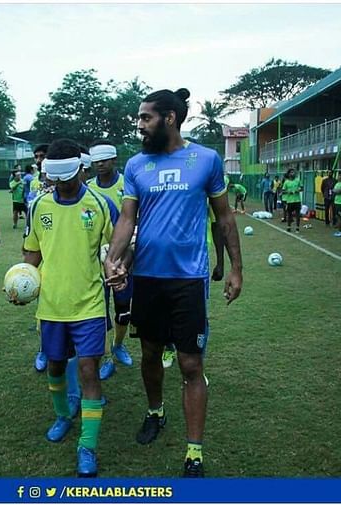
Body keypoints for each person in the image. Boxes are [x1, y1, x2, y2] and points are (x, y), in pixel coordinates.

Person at [104, 88, 243, 478]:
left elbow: (225, 218)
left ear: (169, 118)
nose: (140, 126)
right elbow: (127, 220)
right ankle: (155, 412)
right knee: (150, 354)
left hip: (188, 279)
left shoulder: (206, 159)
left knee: (190, 362)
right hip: (147, 277)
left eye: (145, 118)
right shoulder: (136, 166)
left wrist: (234, 268)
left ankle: (194, 452)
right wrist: (114, 259)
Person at [18, 139, 118, 477]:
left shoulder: (100, 204)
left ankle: (87, 447)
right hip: (51, 306)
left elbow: (118, 247)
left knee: (88, 370)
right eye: (54, 177)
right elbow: (32, 253)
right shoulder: (38, 206)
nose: (60, 184)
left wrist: (118, 268)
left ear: (81, 168)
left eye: (66, 176)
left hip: (89, 303)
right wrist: (21, 280)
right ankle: (63, 415)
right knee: (56, 368)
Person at [87, 140, 133, 381]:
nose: (100, 164)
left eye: (104, 159)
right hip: (96, 263)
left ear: (114, 159)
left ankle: (118, 344)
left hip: (126, 258)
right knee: (100, 311)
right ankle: (106, 358)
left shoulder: (128, 184)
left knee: (124, 309)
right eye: (96, 160)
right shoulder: (87, 188)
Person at [31, 144, 50, 372]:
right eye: (36, 157)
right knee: (43, 307)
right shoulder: (34, 182)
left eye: (42, 156)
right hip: (37, 242)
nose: (38, 160)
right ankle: (44, 349)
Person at [282, 168, 303, 233]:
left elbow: (302, 188)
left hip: (297, 200)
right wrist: (288, 192)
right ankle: (289, 227)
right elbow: (283, 190)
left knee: (297, 215)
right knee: (289, 214)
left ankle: (297, 228)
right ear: (289, 174)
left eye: (293, 172)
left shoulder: (298, 180)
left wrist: (298, 190)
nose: (292, 173)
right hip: (290, 201)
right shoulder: (286, 182)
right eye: (291, 172)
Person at [332, 171, 341, 237]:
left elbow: (338, 191)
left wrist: (336, 191)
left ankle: (340, 232)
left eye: (340, 175)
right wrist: (336, 191)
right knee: (337, 216)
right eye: (338, 175)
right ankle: (339, 229)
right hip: (336, 202)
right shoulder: (337, 183)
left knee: (339, 217)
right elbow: (334, 191)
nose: (339, 177)